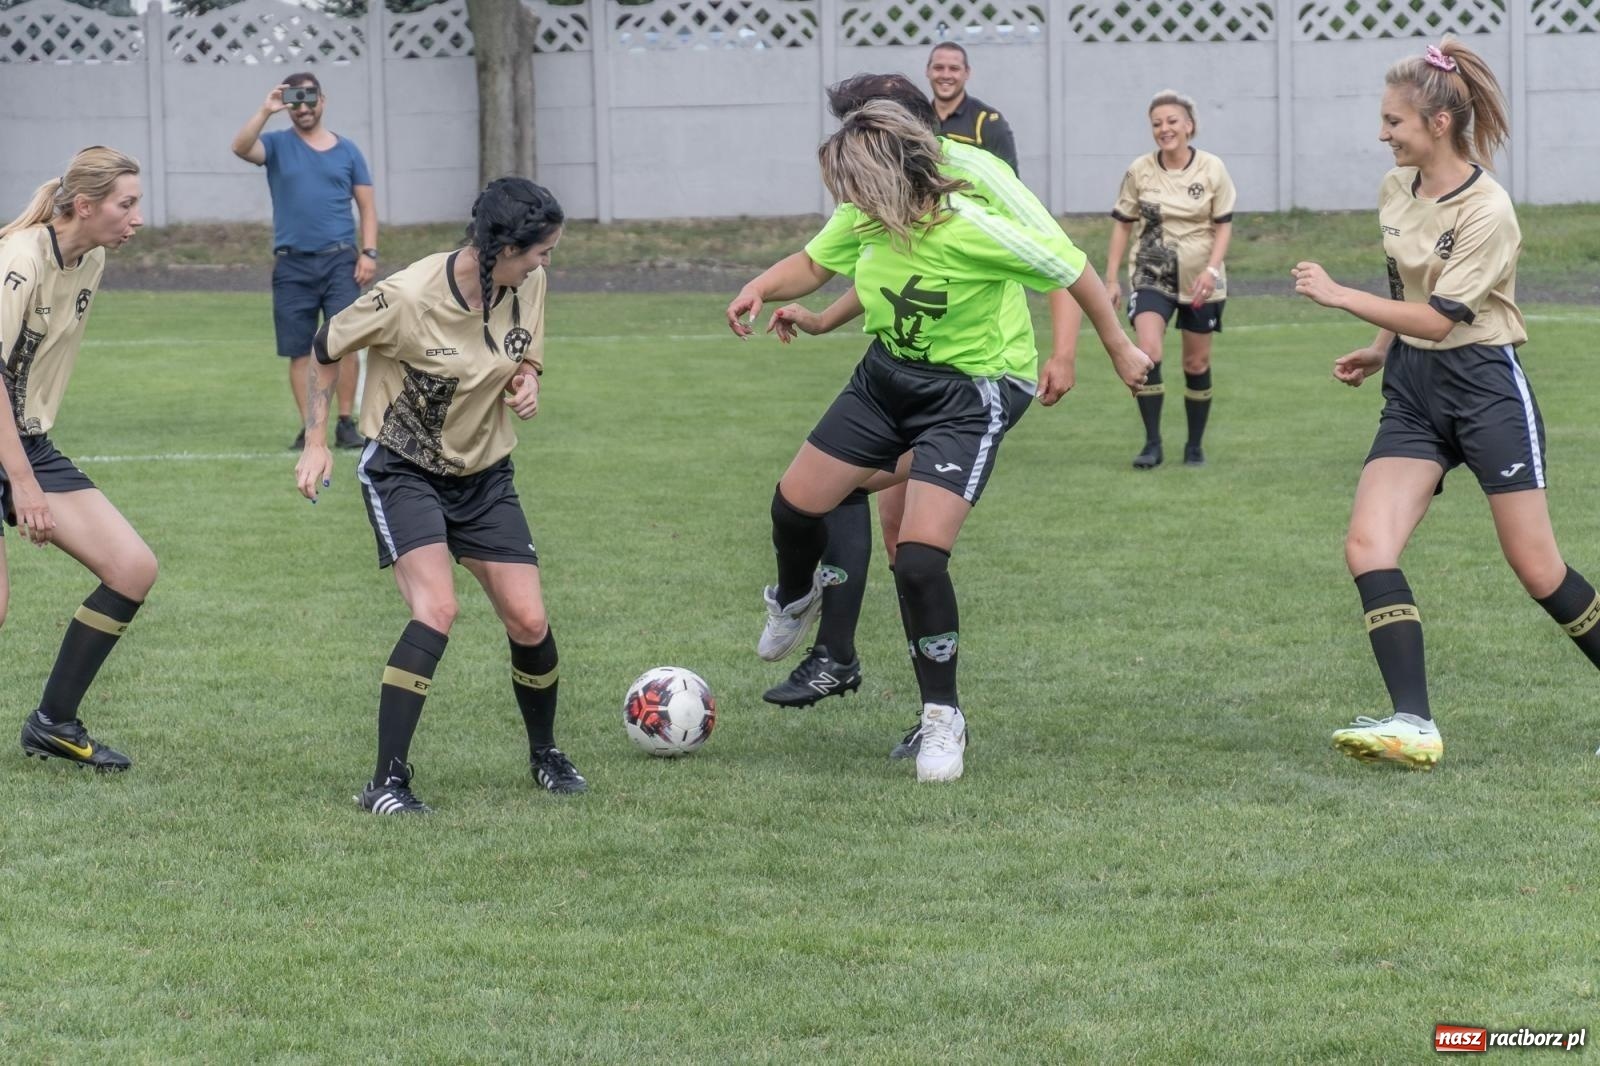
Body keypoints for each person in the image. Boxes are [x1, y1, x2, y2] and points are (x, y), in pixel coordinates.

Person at [726, 101, 1151, 782]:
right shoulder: (869, 219)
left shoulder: (974, 228)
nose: (846, 201)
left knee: (920, 560)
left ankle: (941, 720)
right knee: (793, 505)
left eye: (854, 185)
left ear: (890, 178)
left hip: (967, 396)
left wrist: (1120, 347)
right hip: (885, 380)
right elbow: (812, 265)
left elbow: (1072, 269)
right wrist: (759, 286)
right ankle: (795, 597)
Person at [1292, 37, 1600, 769]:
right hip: (1414, 390)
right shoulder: (1395, 188)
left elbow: (1442, 318)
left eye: (1393, 121)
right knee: (1367, 544)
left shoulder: (1490, 209)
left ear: (1437, 123)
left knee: (1537, 569)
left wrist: (1338, 295)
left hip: (1486, 388)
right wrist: (1376, 347)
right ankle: (1413, 723)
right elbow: (1409, 299)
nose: (1382, 133)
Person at [295, 177, 584, 813]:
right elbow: (324, 349)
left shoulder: (527, 282)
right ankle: (387, 783)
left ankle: (546, 754)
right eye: (538, 252)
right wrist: (317, 441)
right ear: (502, 247)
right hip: (405, 469)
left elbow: (523, 353)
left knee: (530, 620)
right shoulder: (405, 296)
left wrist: (529, 381)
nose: (545, 263)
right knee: (437, 610)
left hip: (484, 476)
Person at [1, 147, 152, 771]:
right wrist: (23, 484)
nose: (137, 218)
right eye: (127, 204)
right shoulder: (18, 258)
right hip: (12, 450)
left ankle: (53, 722)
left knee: (132, 567)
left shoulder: (90, 258)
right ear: (84, 206)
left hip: (26, 438)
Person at [232, 71, 377, 451]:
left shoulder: (348, 151)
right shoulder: (277, 145)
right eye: (295, 101)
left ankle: (346, 423)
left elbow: (367, 206)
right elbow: (240, 146)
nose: (303, 108)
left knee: (343, 343)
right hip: (292, 264)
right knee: (299, 350)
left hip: (340, 262)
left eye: (309, 99)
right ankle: (310, 426)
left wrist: (369, 252)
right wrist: (266, 110)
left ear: (322, 101)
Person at [1104, 90, 1235, 469]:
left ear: (1189, 126)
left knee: (1196, 365)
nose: (1165, 128)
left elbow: (1223, 226)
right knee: (1149, 353)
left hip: (1200, 281)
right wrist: (1111, 279)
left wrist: (1211, 270)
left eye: (1172, 121)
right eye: (1157, 123)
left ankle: (1194, 446)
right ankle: (1152, 443)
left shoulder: (1212, 169)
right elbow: (1121, 225)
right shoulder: (1139, 170)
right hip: (1151, 274)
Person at [926, 42, 1019, 174]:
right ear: (928, 71)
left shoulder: (988, 122)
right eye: (938, 68)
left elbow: (1010, 182)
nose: (945, 75)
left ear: (967, 73)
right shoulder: (917, 119)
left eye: (954, 69)